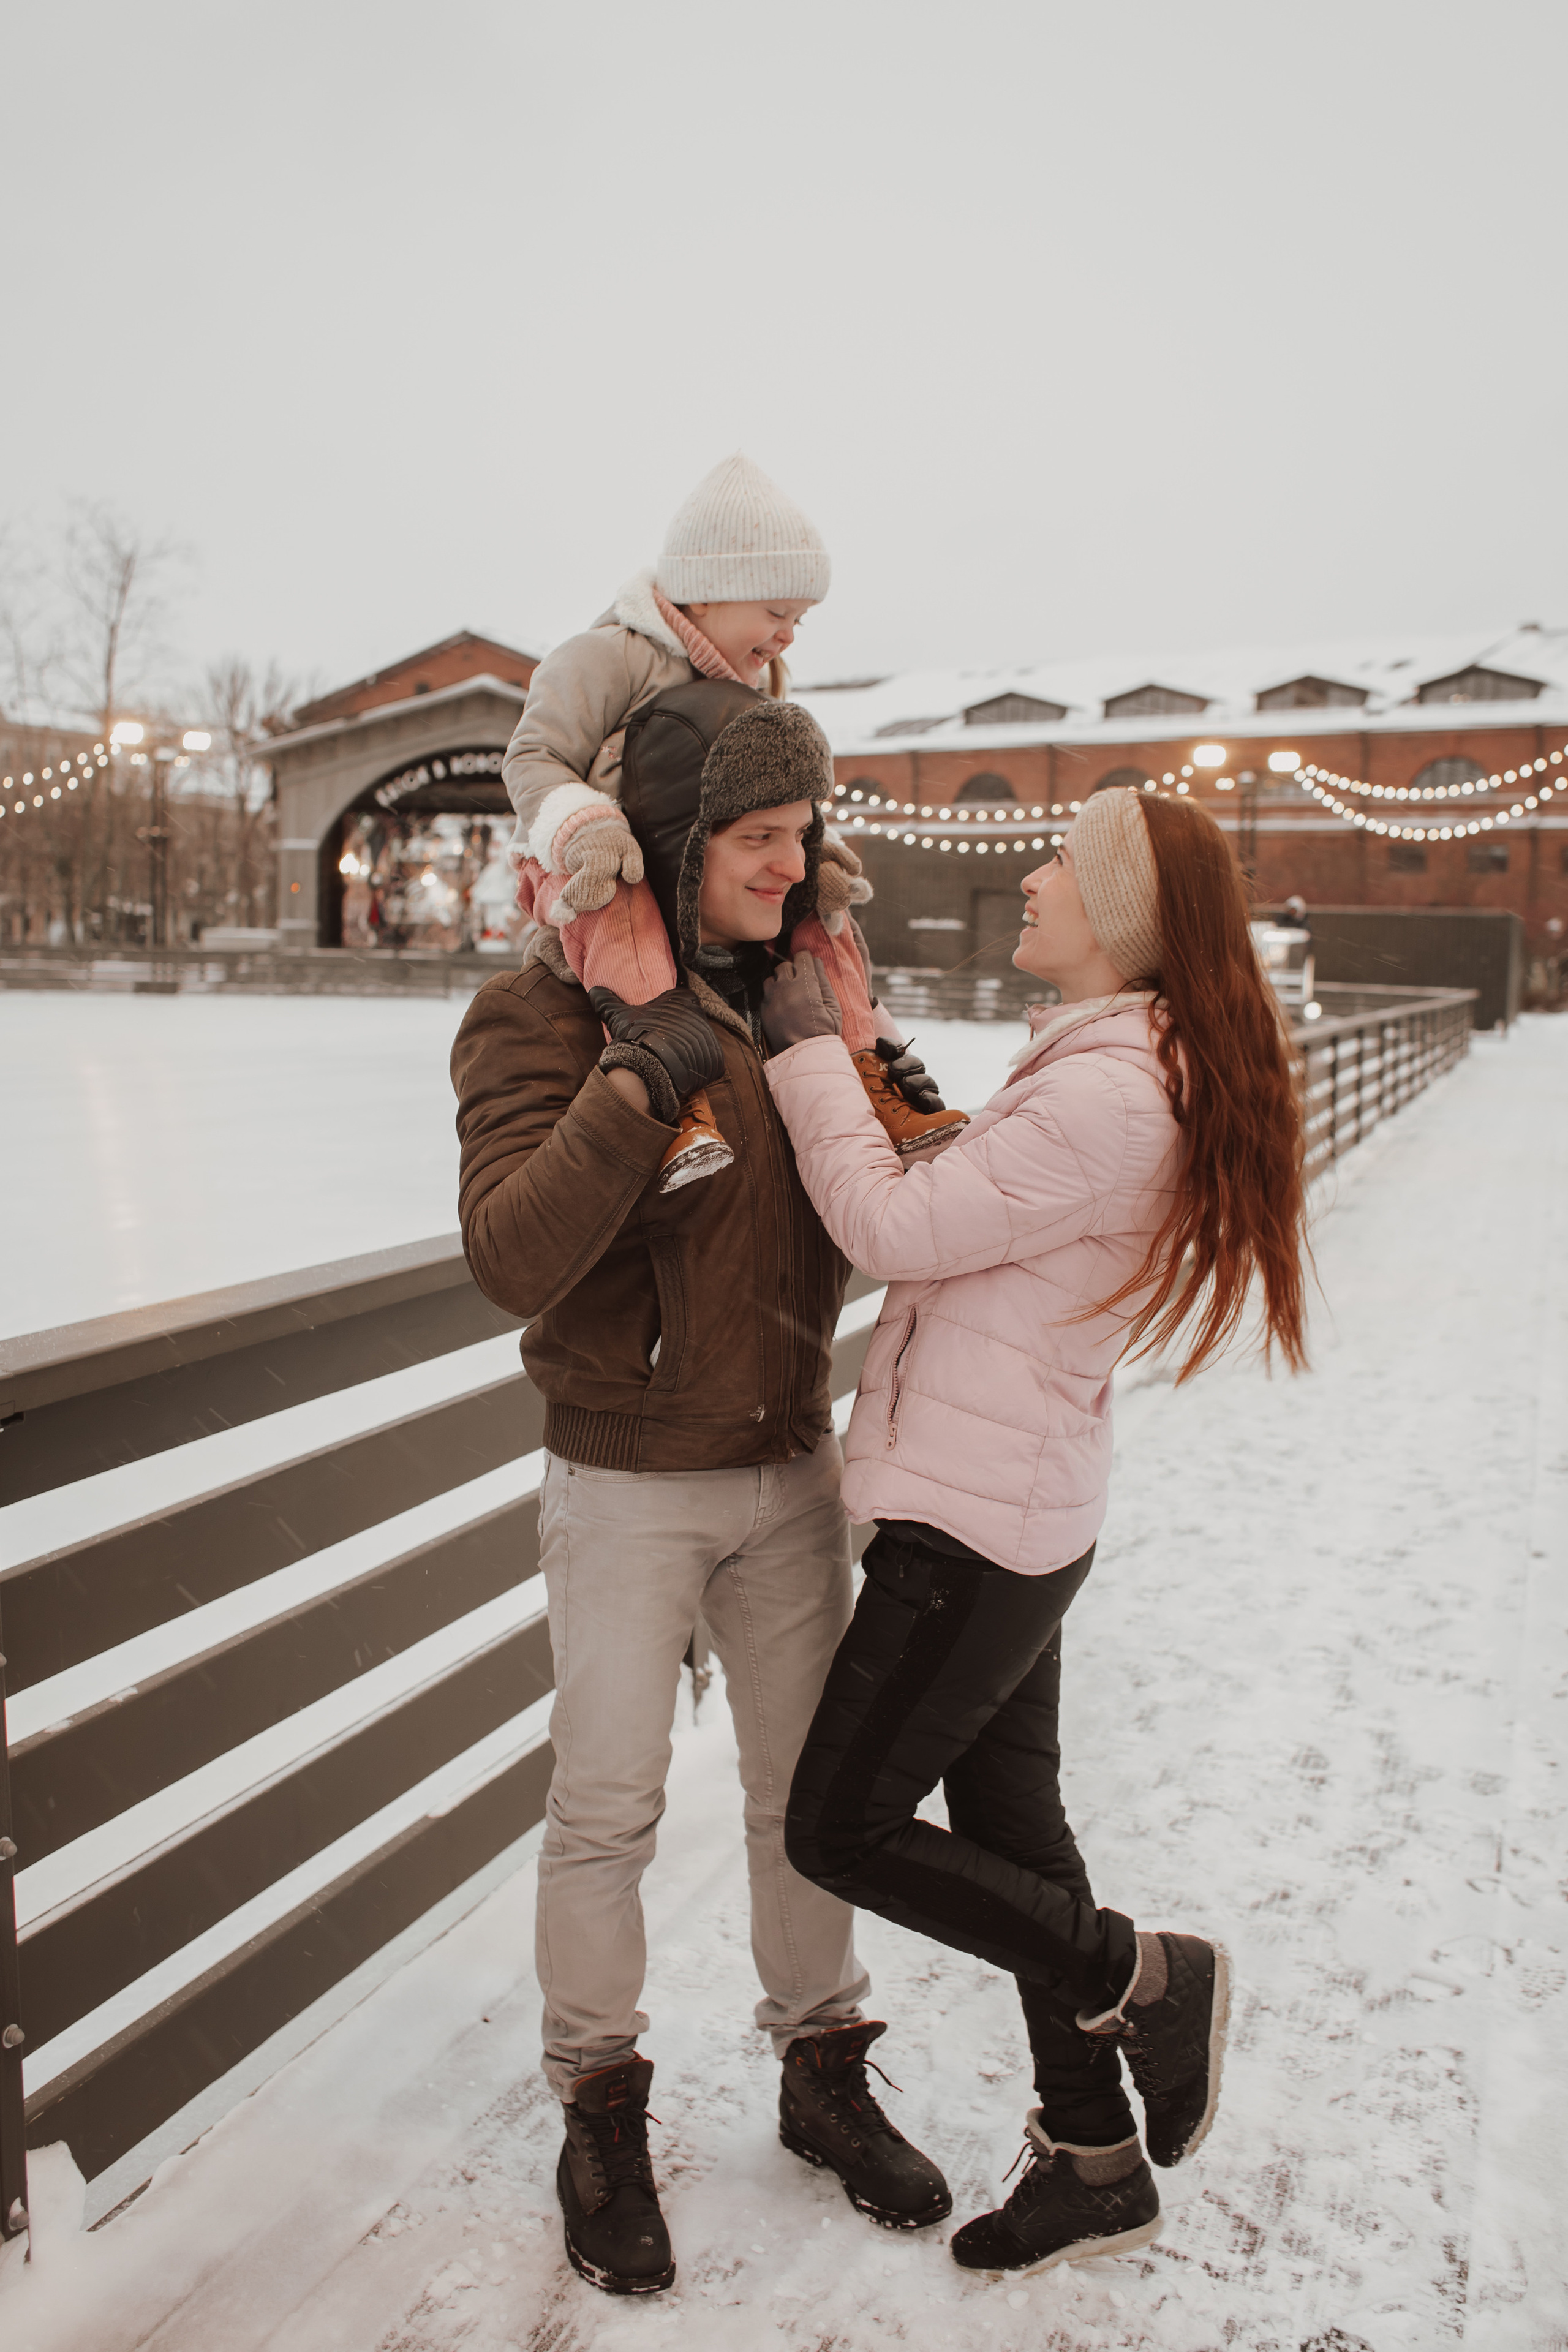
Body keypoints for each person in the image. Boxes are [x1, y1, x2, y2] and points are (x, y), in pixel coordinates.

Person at [756, 785, 1310, 2279]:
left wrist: (806, 1047)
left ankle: (1144, 1971)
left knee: (840, 1826)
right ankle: (1092, 2155)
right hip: (1015, 1499)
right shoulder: (1117, 1066)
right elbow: (968, 1192)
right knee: (1010, 1838)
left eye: (1064, 859)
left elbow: (890, 1226)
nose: (1032, 872)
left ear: (1125, 915)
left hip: (974, 1525)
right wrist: (865, 1049)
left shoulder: (1112, 1090)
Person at [451, 681, 952, 2302]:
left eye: (803, 831)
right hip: (626, 1485)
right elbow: (510, 1254)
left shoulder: (802, 996)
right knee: (606, 1810)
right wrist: (647, 1067)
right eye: (755, 836)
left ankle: (824, 2074)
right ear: (668, 851)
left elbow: (925, 1183)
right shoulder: (535, 1018)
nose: (791, 862)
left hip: (791, 1470)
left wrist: (887, 1064)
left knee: (808, 1803)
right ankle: (600, 2107)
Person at [502, 450, 965, 1186]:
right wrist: (585, 824)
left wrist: (818, 850)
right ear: (707, 595)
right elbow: (531, 758)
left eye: (800, 619)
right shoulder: (608, 659)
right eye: (778, 613)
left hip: (704, 874)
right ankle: (669, 1085)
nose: (788, 636)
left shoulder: (760, 681)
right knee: (626, 915)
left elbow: (772, 795)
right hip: (600, 862)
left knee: (825, 925)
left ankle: (870, 1073)